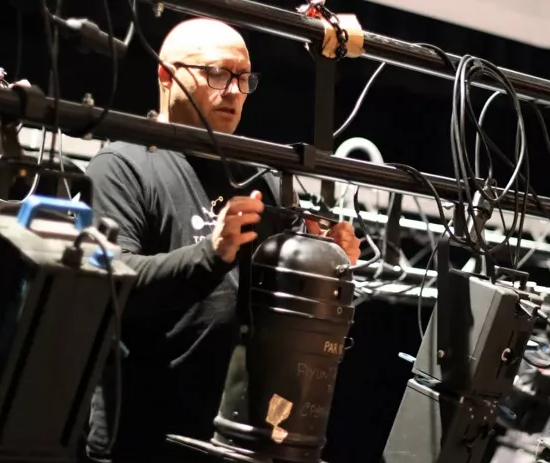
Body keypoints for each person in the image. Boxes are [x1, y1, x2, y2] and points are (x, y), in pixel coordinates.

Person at [83, 18, 360, 462]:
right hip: (142, 437)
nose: (233, 91)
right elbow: (108, 285)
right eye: (217, 73)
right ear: (166, 74)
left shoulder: (261, 179)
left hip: (236, 442)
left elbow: (283, 316)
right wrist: (210, 253)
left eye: (243, 78)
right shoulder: (123, 165)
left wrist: (327, 263)